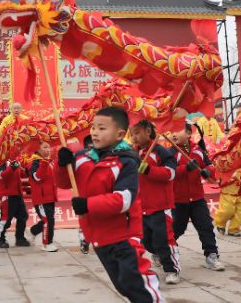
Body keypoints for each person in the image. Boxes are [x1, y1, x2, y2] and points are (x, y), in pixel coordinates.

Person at [56, 107, 163, 303]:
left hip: (124, 235)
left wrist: (88, 204)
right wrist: (62, 164)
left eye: (102, 128)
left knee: (136, 281)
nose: (95, 132)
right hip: (97, 235)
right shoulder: (82, 157)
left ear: (120, 134)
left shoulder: (126, 162)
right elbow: (64, 183)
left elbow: (123, 200)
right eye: (93, 127)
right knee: (123, 285)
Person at [130, 120, 181, 285]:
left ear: (147, 131)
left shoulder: (160, 151)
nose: (134, 137)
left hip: (160, 206)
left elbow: (171, 173)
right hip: (141, 207)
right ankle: (159, 254)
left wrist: (147, 169)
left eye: (137, 133)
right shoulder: (133, 153)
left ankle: (171, 270)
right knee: (147, 241)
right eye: (131, 134)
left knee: (164, 240)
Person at [171, 123, 225, 271]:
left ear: (189, 134)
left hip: (197, 198)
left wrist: (208, 171)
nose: (173, 134)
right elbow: (169, 173)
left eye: (177, 130)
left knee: (206, 226)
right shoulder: (170, 153)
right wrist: (184, 169)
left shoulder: (198, 150)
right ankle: (161, 251)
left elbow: (210, 165)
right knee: (176, 229)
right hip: (178, 200)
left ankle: (212, 255)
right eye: (171, 131)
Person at [27, 141, 58, 252]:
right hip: (41, 198)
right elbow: (37, 177)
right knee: (47, 220)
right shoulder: (33, 162)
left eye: (49, 147)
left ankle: (33, 231)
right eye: (45, 147)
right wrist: (45, 163)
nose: (48, 149)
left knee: (49, 220)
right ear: (37, 149)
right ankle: (47, 244)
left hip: (50, 197)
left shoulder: (49, 162)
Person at [0, 159, 30, 248]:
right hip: (7, 195)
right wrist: (12, 167)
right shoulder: (0, 162)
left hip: (17, 194)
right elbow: (2, 176)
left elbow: (22, 174)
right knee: (6, 219)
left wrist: (28, 169)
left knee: (23, 216)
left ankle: (20, 238)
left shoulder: (15, 160)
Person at [214, 161, 241, 237]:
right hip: (229, 191)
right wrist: (228, 174)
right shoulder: (228, 158)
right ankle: (220, 224)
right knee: (227, 211)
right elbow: (219, 169)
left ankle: (234, 229)